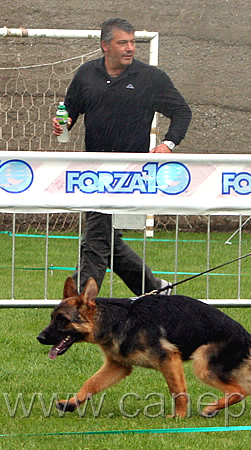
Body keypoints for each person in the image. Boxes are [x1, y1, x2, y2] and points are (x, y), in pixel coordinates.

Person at [52, 18, 192, 295]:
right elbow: (70, 112)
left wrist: (168, 144)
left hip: (131, 173)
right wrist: (62, 125)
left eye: (132, 42)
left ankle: (80, 305)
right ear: (105, 46)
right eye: (123, 43)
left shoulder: (151, 78)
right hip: (92, 171)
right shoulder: (85, 75)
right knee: (106, 241)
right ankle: (154, 290)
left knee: (95, 238)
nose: (130, 48)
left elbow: (182, 112)